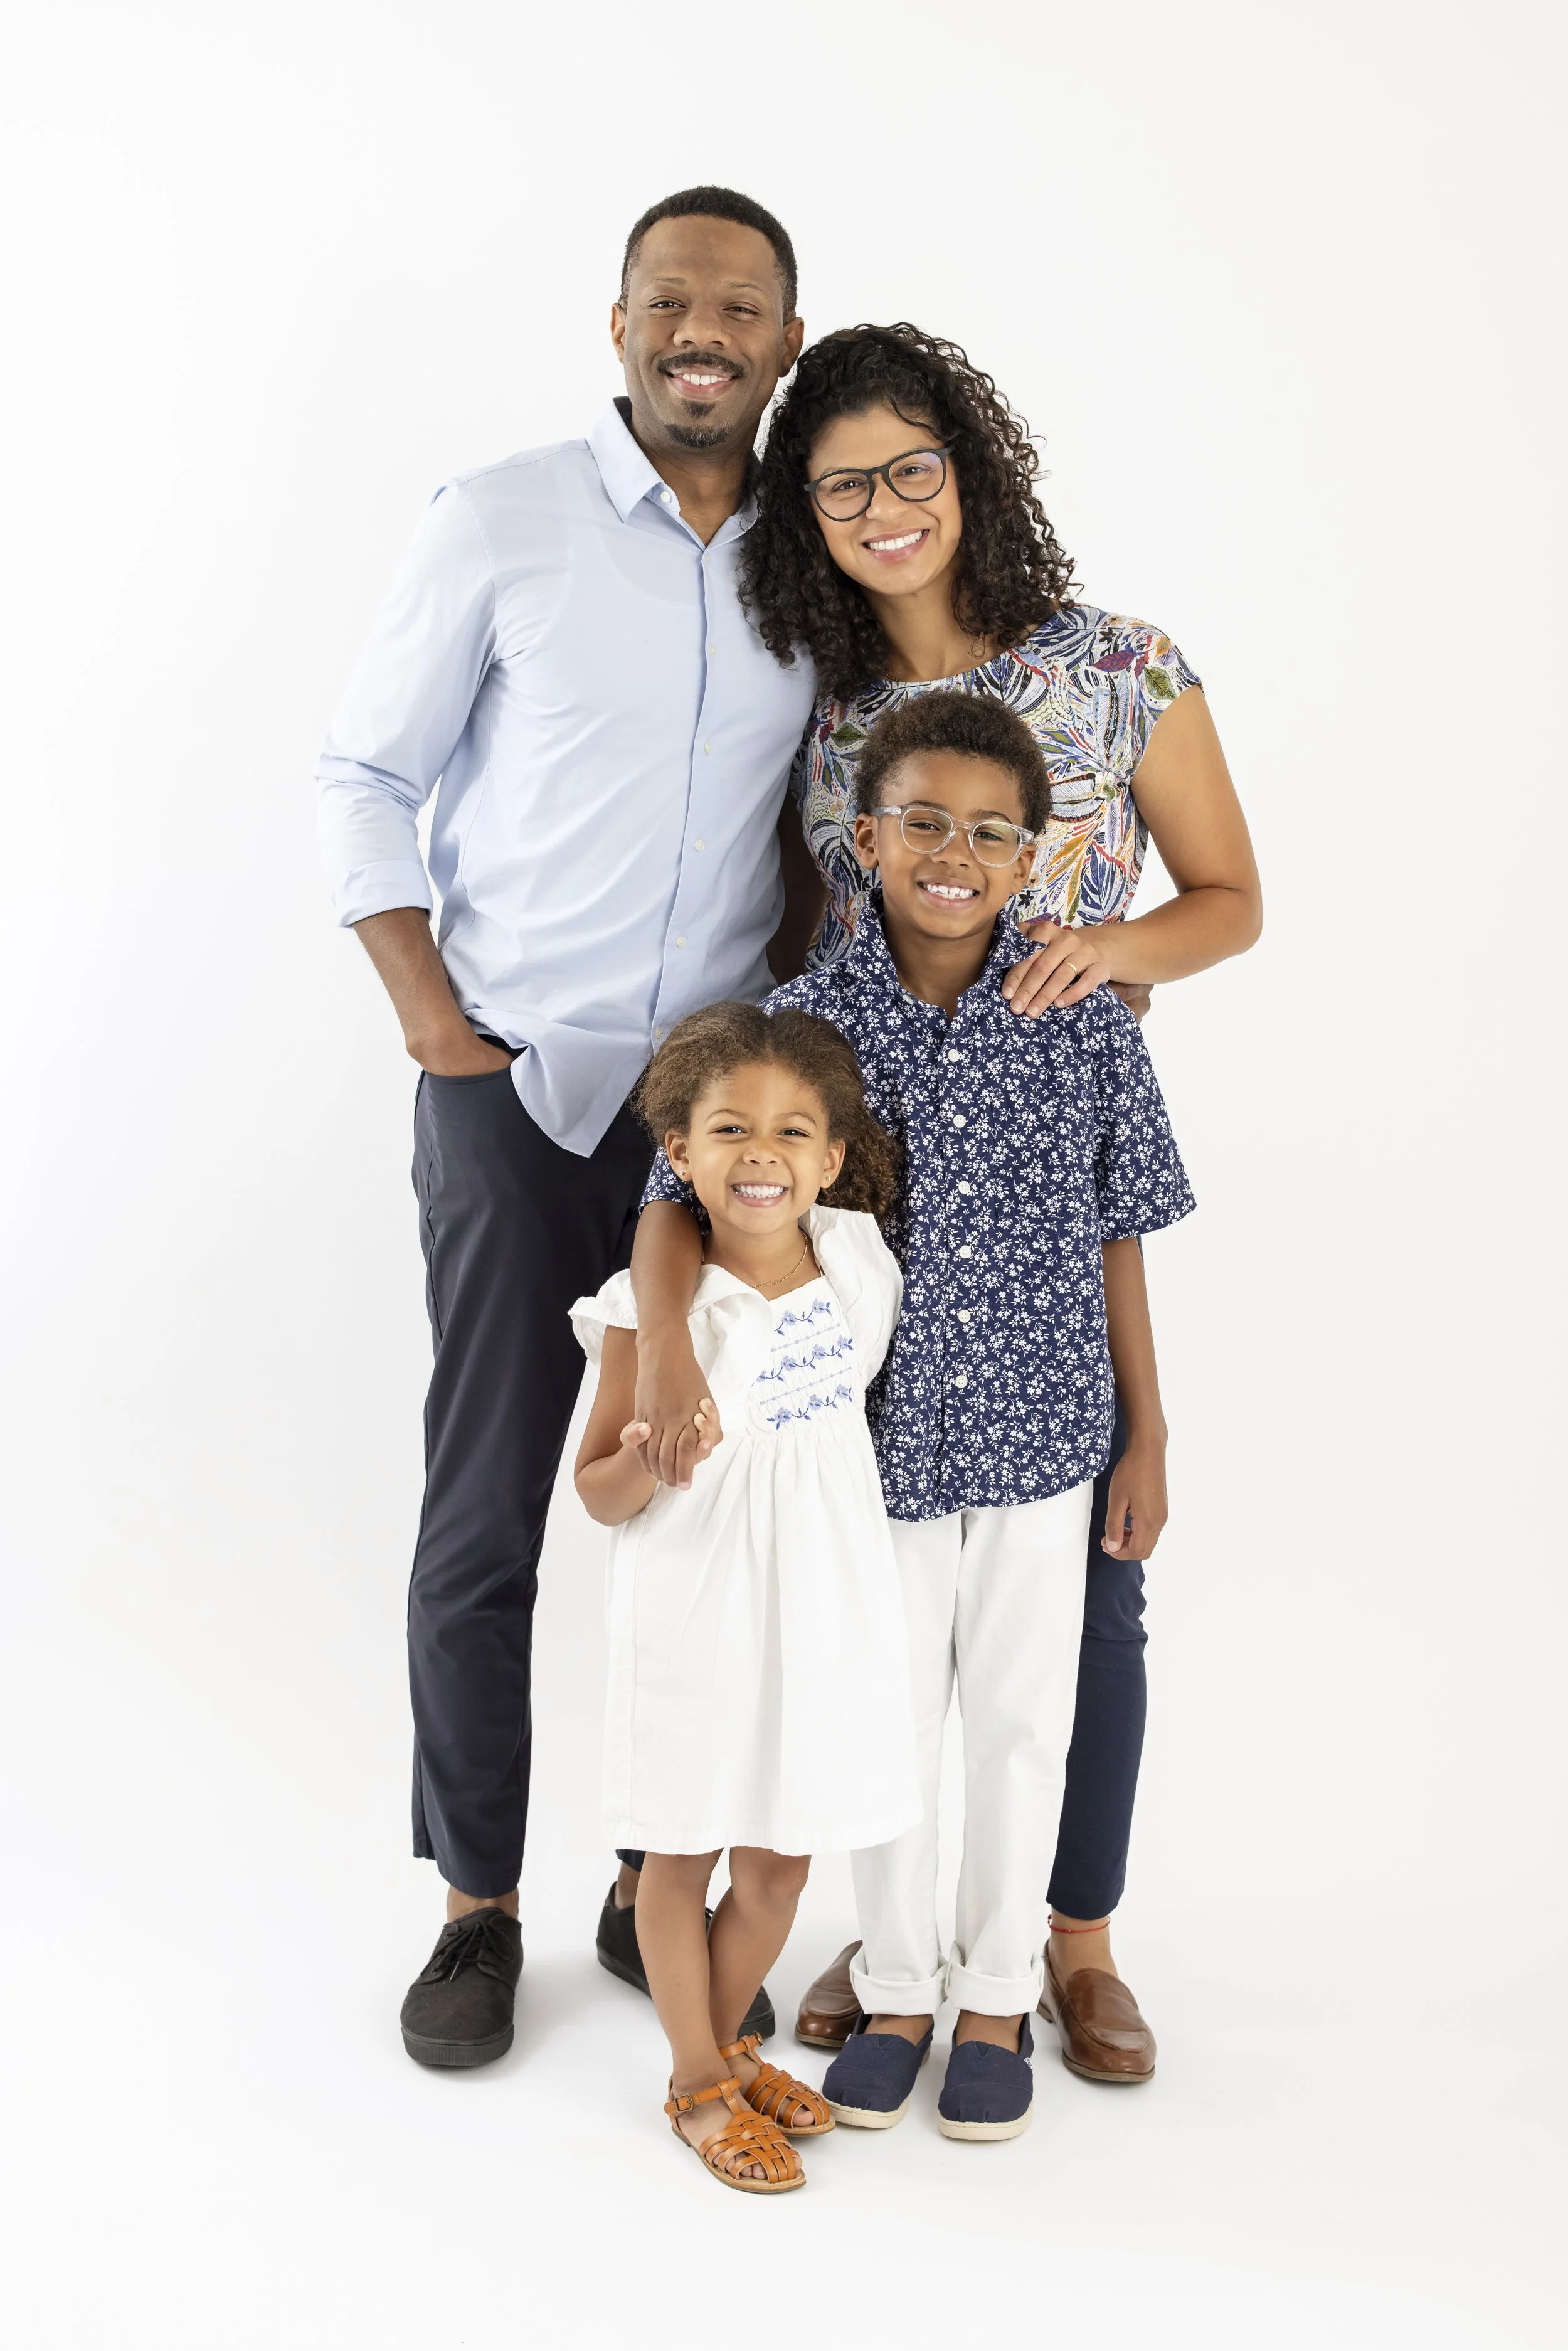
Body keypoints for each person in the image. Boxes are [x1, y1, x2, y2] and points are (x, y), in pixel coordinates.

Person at [630, 323, 1261, 2082]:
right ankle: (892, 1949)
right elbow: (802, 961)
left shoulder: (1116, 664)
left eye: (912, 466)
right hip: (885, 1238)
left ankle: (1065, 1943)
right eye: (840, 484)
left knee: (1067, 1636)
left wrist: (1097, 955)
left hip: (1049, 1176)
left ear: (969, 469)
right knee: (879, 1645)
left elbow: (1226, 898)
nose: (884, 506)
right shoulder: (823, 713)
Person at [315, 186, 820, 2068]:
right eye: (671, 298)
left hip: (710, 1128)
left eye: (741, 306)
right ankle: (476, 1906)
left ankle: (647, 1877)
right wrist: (433, 1028)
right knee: (489, 1504)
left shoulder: (806, 560)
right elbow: (363, 771)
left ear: (783, 341)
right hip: (514, 1089)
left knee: (692, 1502)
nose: (704, 331)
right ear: (619, 325)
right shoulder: (499, 518)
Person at [638, 691, 1193, 2140]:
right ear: (867, 839)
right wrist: (661, 1362)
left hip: (1042, 1431)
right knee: (880, 1719)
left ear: (1030, 854)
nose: (954, 853)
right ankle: (895, 1987)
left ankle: (997, 1993)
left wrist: (1144, 1429)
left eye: (990, 832)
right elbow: (673, 1203)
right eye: (924, 823)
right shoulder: (801, 1024)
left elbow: (1120, 1231)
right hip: (861, 1447)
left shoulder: (1081, 1015)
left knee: (1018, 1717)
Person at [571, 1006, 916, 2191]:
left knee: (778, 1868)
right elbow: (596, 1493)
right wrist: (649, 1457)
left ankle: (722, 2051)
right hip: (695, 1604)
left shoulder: (859, 1263)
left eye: (790, 1132)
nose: (760, 1152)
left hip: (820, 1603)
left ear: (829, 1159)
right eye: (728, 1130)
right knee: (681, 1854)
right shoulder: (650, 1308)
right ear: (680, 1150)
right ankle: (697, 2085)